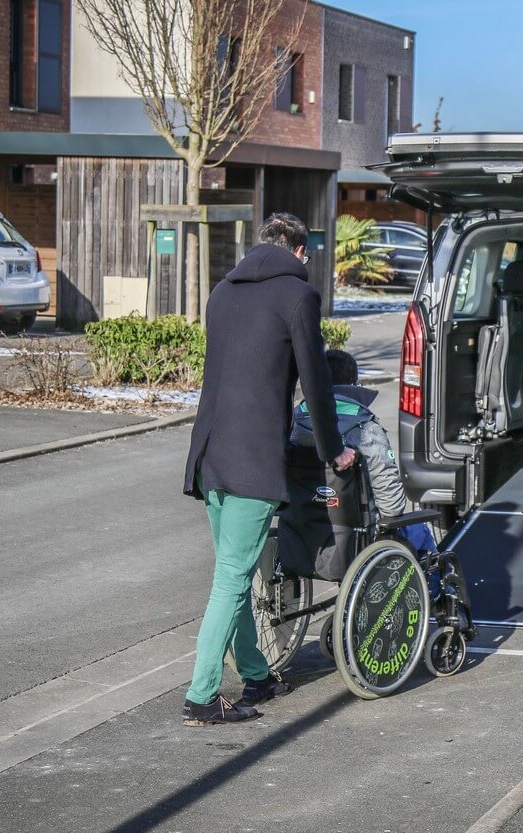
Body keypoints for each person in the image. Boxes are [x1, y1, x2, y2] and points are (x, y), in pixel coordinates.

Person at [181, 213, 356, 727]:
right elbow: (316, 381)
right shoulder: (296, 297)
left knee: (232, 573)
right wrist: (333, 451)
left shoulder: (222, 293)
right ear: (299, 252)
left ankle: (256, 674)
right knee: (233, 576)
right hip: (254, 458)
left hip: (209, 454)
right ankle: (202, 696)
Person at [289, 349, 438, 557]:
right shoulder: (365, 429)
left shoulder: (293, 424)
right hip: (357, 539)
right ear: (353, 384)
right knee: (420, 532)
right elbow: (392, 506)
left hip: (302, 530)